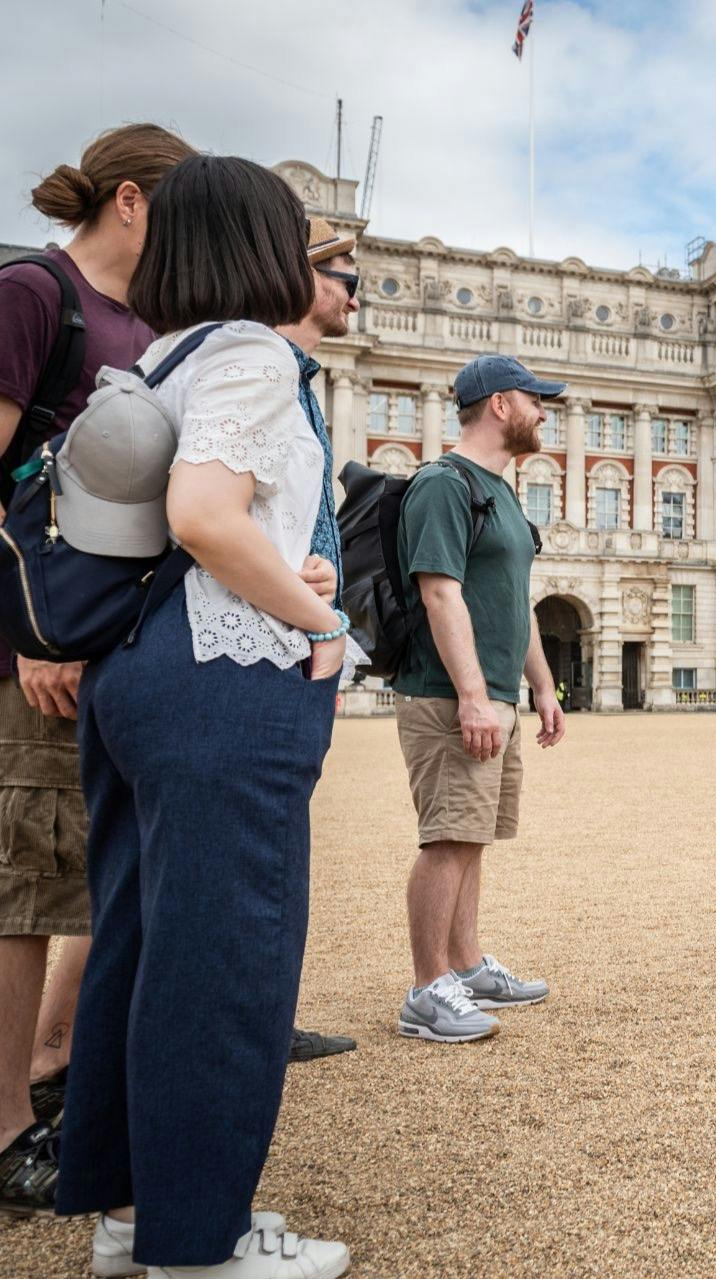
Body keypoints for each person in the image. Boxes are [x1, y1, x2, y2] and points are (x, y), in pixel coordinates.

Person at [56, 154, 351, 1276]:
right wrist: (318, 622)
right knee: (228, 954)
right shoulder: (249, 351)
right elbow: (203, 514)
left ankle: (133, 1212)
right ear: (260, 247)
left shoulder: (159, 354)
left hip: (138, 671)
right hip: (222, 679)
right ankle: (199, 1242)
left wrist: (288, 570)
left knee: (141, 941)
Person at [0, 122, 193, 1217]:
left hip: (103, 645)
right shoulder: (37, 293)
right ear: (128, 200)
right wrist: (26, 634)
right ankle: (4, 1132)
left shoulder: (147, 324)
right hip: (31, 646)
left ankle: (54, 1072)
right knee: (21, 892)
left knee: (77, 875)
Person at [394, 354, 566, 1044]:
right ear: (499, 405)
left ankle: (464, 964)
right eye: (535, 399)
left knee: (473, 837)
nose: (544, 411)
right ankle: (426, 987)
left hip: (496, 694)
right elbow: (440, 590)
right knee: (447, 838)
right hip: (447, 695)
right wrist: (470, 695)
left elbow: (512, 603)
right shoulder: (442, 483)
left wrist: (543, 685)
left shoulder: (502, 490)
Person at [264, 215, 366, 1069]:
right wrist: (316, 610)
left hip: (302, 635)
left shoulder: (301, 376)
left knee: (280, 847)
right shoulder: (253, 369)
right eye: (343, 275)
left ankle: (265, 1008)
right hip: (266, 634)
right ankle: (60, 1058)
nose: (356, 293)